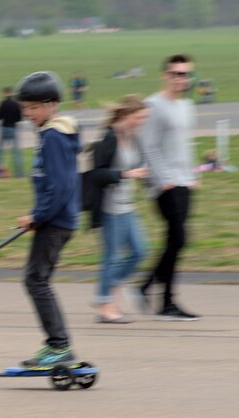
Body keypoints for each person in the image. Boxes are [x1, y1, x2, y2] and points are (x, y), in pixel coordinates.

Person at [14, 71, 81, 368]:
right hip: (57, 220)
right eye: (25, 108)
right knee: (37, 280)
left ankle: (58, 346)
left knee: (35, 280)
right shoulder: (54, 134)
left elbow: (61, 186)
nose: (28, 114)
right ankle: (58, 345)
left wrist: (38, 216)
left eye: (34, 108)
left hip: (55, 222)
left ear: (52, 104)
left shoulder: (53, 137)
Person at [136, 54, 200, 321]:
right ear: (165, 75)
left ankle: (147, 287)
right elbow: (148, 145)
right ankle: (166, 302)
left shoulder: (187, 105)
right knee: (178, 238)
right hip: (165, 183)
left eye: (184, 74)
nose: (180, 79)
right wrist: (163, 180)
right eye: (175, 74)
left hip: (185, 180)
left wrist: (194, 172)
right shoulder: (154, 105)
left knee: (177, 240)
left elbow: (184, 143)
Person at [84, 95, 151, 324]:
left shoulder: (133, 137)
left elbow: (140, 164)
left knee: (141, 251)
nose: (142, 121)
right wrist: (125, 174)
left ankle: (109, 290)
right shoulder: (109, 139)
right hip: (110, 209)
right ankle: (105, 304)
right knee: (111, 258)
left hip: (128, 206)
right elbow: (96, 174)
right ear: (126, 116)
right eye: (139, 117)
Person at [0, 86, 24, 178]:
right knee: (16, 153)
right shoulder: (16, 104)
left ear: (4, 93)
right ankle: (19, 174)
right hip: (13, 128)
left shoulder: (2, 104)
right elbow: (19, 118)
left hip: (4, 128)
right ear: (12, 93)